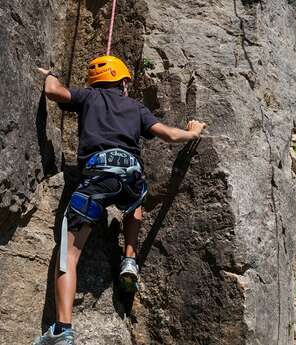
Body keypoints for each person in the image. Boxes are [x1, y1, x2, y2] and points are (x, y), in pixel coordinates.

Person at [33, 55, 206, 345]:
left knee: (67, 255)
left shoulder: (88, 95)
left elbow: (53, 92)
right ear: (124, 82)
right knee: (134, 198)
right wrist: (193, 132)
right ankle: (129, 258)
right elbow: (168, 135)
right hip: (131, 174)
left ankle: (62, 331)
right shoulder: (136, 107)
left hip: (99, 175)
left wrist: (50, 74)